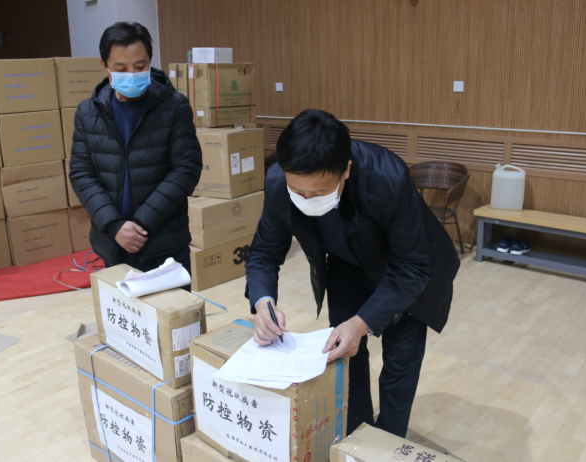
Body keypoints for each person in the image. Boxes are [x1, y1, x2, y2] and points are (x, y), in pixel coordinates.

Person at [245, 109, 460, 437]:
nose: (306, 200)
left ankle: (386, 444)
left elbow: (412, 266)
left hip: (408, 272)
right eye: (297, 191)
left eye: (318, 192)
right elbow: (263, 253)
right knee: (344, 355)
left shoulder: (387, 178)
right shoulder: (278, 184)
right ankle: (355, 438)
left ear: (345, 170)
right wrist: (263, 303)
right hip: (347, 266)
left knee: (399, 365)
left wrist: (361, 324)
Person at [69, 22, 202, 286]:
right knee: (121, 311)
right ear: (105, 66)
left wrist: (140, 226)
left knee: (172, 312)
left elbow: (185, 170)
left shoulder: (174, 107)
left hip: (163, 242)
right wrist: (114, 225)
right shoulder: (88, 112)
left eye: (140, 67)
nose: (131, 74)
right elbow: (81, 174)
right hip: (112, 244)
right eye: (121, 69)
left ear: (150, 62)